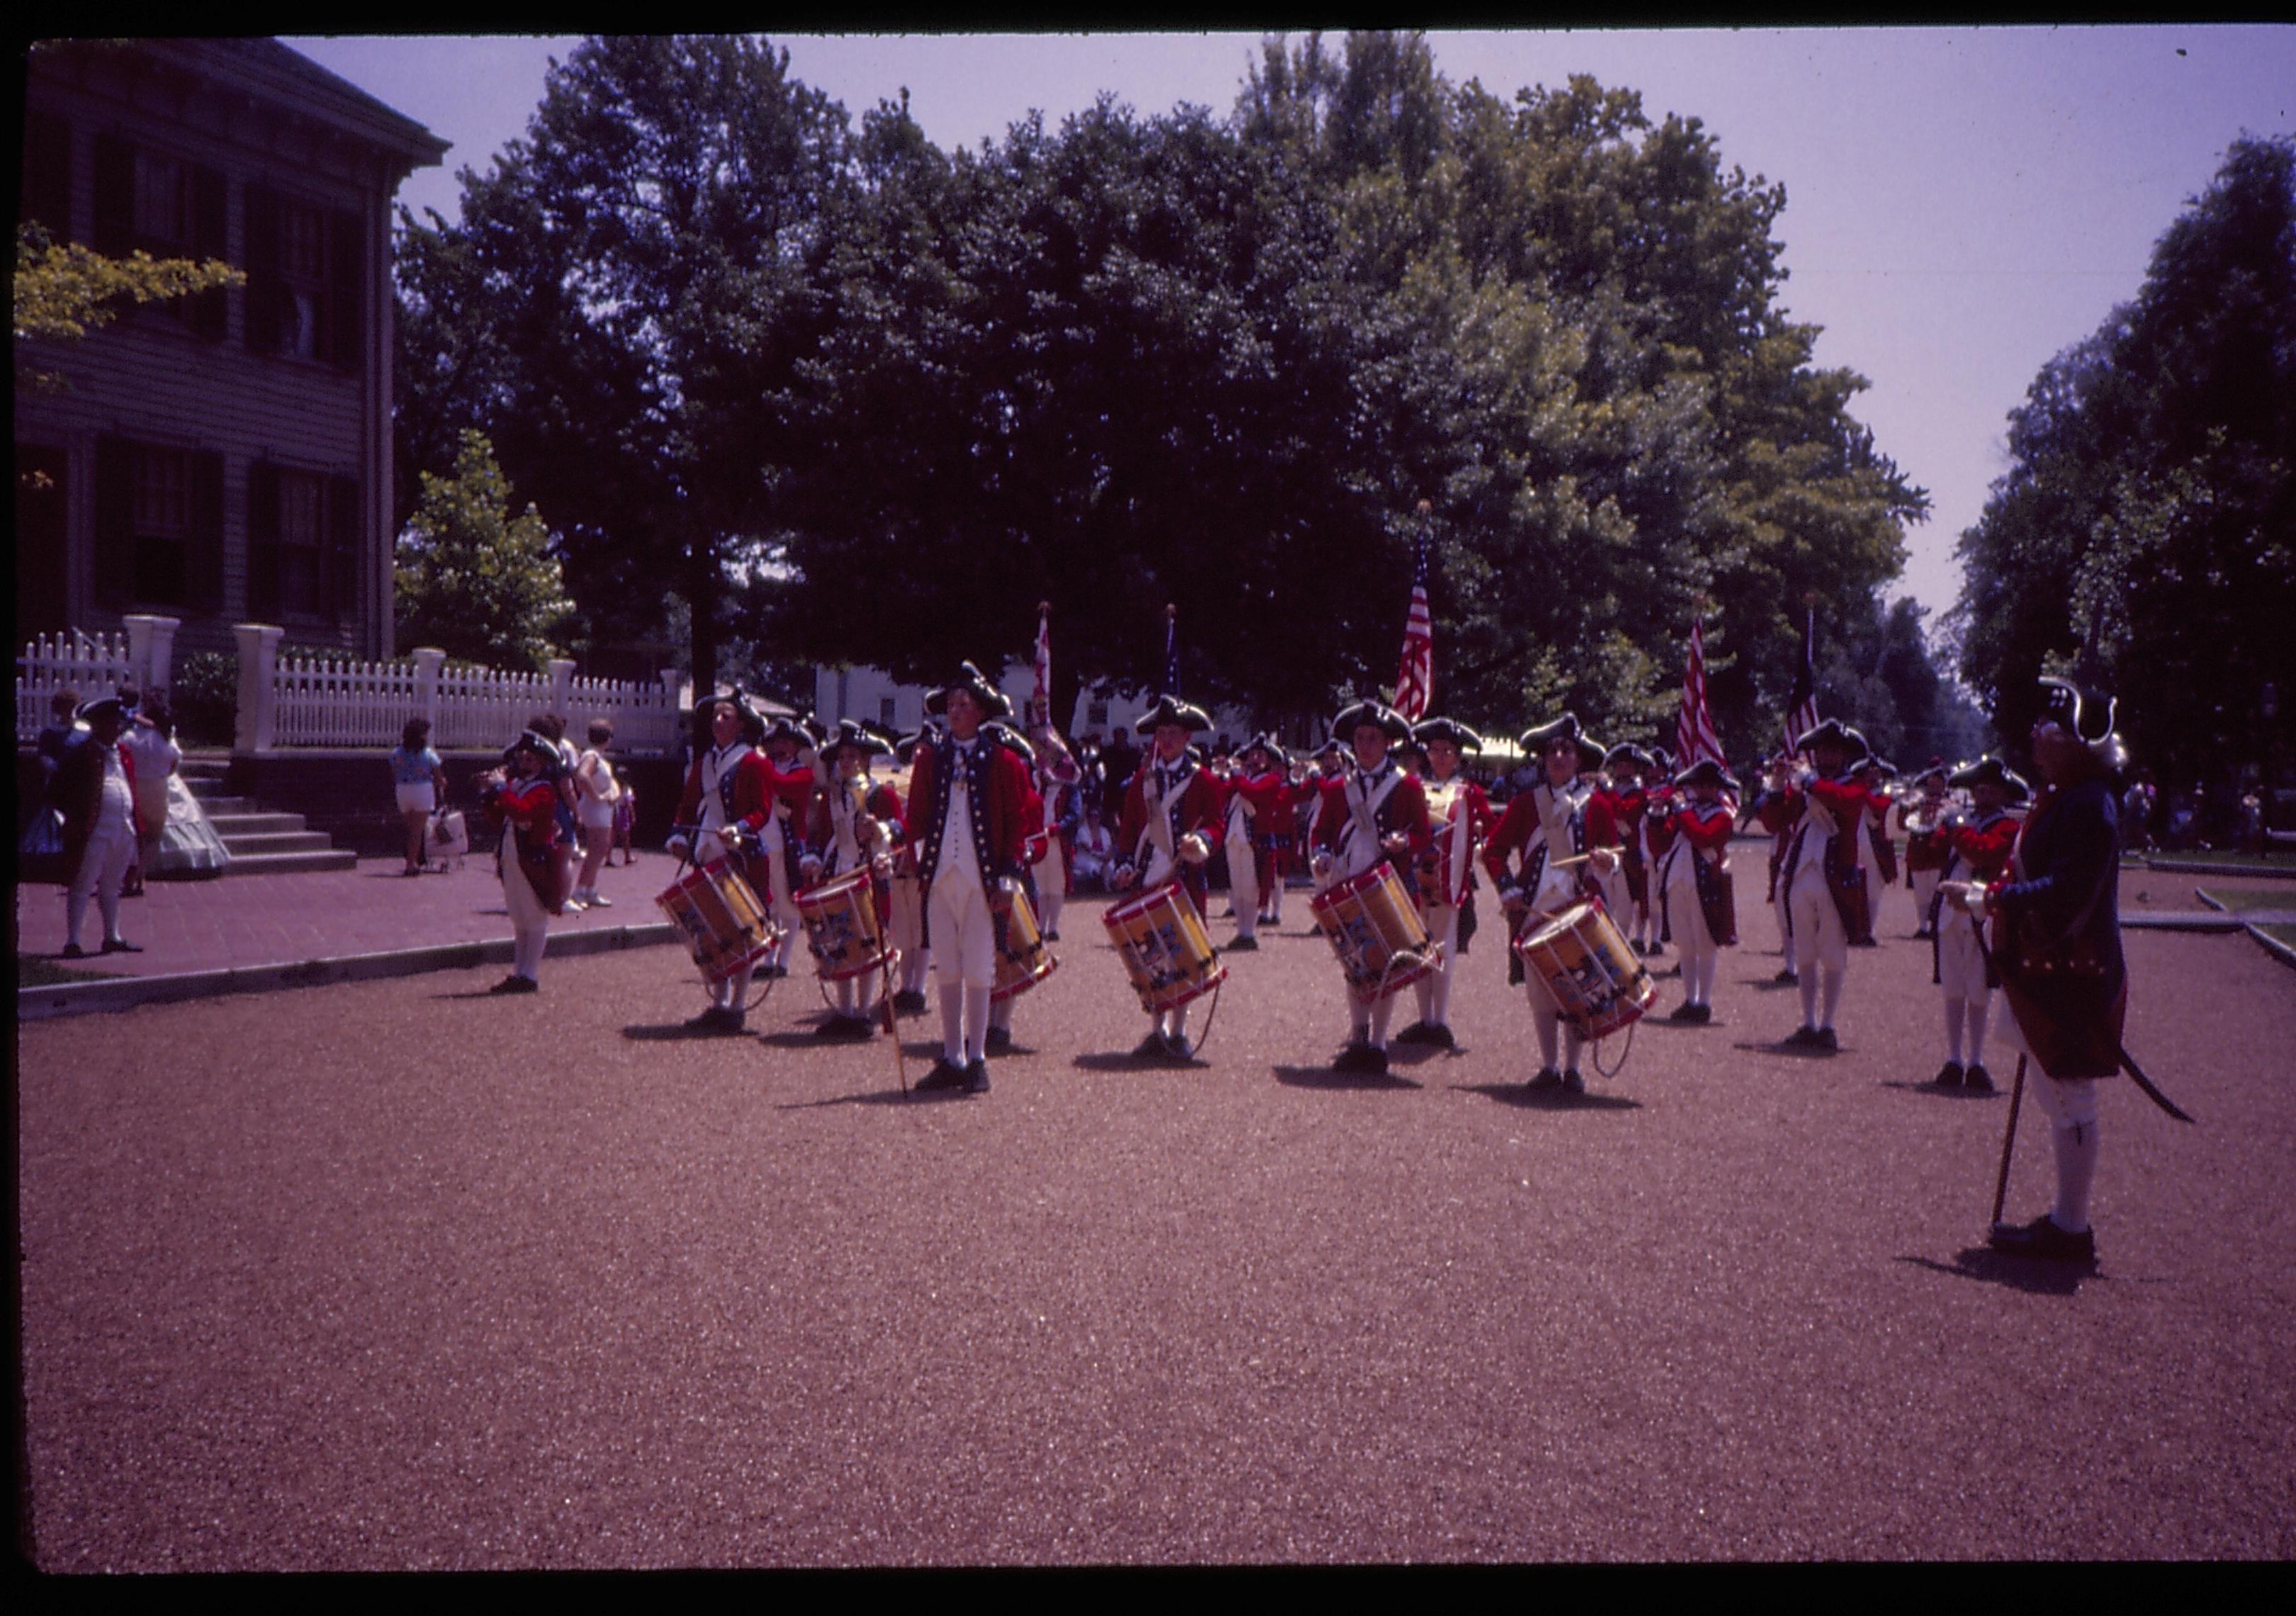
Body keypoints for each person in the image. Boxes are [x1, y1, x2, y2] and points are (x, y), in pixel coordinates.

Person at [1945, 678, 2130, 1264]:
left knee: (2070, 1095)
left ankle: (2071, 1228)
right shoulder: (2069, 796)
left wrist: (1986, 901)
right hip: (2052, 967)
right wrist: (1989, 894)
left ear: (2079, 742)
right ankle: (2065, 1220)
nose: (2036, 734)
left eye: (2050, 727)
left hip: (2072, 970)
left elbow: (2066, 888)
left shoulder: (2089, 803)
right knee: (2061, 1093)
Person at [904, 663, 1032, 1093]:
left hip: (982, 879)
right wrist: (912, 855)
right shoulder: (929, 759)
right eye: (951, 704)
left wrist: (1009, 876)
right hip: (940, 877)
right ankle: (952, 1056)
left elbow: (1018, 822)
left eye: (964, 704)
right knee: (947, 967)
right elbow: (917, 817)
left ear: (980, 712)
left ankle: (976, 1056)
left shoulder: (1004, 761)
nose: (955, 711)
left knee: (978, 966)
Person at [1483, 713, 1620, 1091]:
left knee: (1579, 989)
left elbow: (1613, 855)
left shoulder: (1598, 805)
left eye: (1567, 750)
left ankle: (1573, 1070)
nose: (1559, 756)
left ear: (1579, 759)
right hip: (1534, 909)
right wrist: (1508, 888)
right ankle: (1548, 1066)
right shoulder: (1527, 804)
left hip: (1579, 908)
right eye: (1552, 750)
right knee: (1539, 989)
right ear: (1543, 758)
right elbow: (1493, 850)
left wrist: (1609, 863)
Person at [1308, 700, 1431, 1074]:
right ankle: (1358, 1036)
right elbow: (1322, 833)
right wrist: (1322, 855)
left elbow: (1423, 836)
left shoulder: (1407, 786)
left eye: (1372, 738)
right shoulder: (1335, 788)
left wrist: (1405, 843)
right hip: (1347, 885)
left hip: (1387, 886)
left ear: (1387, 742)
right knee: (1354, 963)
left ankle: (1378, 1044)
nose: (1364, 745)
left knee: (1387, 966)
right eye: (1359, 738)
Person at [1111, 692, 1226, 1060]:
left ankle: (1179, 1031)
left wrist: (1203, 840)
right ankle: (1156, 1030)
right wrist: (1124, 862)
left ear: (1188, 738)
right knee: (1152, 956)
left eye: (1175, 733)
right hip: (1149, 877)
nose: (1168, 740)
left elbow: (1217, 825)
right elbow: (1130, 829)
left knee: (1184, 954)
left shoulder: (1203, 780)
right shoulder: (1142, 781)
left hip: (1185, 878)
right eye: (1163, 733)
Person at [668, 692, 780, 1033]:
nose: (718, 722)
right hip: (706, 849)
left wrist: (739, 829)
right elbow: (689, 804)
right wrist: (678, 835)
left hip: (740, 853)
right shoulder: (704, 762)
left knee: (741, 927)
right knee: (713, 927)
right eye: (715, 716)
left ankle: (738, 1004)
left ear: (741, 724)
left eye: (726, 716)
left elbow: (761, 810)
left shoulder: (755, 762)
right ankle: (719, 1002)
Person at [1927, 756, 2026, 1092]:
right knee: (1953, 987)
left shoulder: (2008, 827)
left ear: (2002, 794)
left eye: (1990, 790)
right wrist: (1929, 824)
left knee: (1978, 988)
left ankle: (1977, 1060)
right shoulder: (1963, 822)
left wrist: (1955, 827)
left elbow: (1982, 853)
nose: (1983, 795)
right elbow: (1929, 852)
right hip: (1948, 914)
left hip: (1980, 913)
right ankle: (1954, 1058)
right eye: (1978, 789)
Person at [803, 718, 901, 1040]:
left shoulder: (880, 794)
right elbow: (821, 834)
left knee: (868, 941)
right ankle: (844, 1011)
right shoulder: (832, 796)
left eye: (853, 758)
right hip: (839, 870)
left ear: (866, 761)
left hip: (869, 871)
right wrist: (815, 858)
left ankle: (862, 1012)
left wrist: (879, 840)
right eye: (842, 758)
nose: (846, 764)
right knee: (841, 940)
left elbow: (898, 830)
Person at [1397, 717, 1492, 1050]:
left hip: (1449, 881)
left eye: (1446, 751)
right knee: (1418, 947)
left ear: (1457, 756)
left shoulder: (1469, 792)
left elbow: (1490, 831)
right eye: (1434, 750)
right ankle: (1425, 1018)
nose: (1439, 756)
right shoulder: (1413, 787)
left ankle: (1440, 1018)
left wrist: (1481, 846)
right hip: (1415, 880)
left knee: (1443, 948)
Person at [1778, 719, 1872, 1053]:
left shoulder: (1853, 785)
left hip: (1836, 877)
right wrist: (1778, 787)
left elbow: (1845, 802)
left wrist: (1810, 781)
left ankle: (1828, 1024)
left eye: (1833, 750)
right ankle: (1808, 1021)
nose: (1826, 756)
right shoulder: (1804, 786)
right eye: (1822, 750)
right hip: (1802, 874)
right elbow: (1777, 819)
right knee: (1804, 951)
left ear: (1844, 755)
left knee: (1833, 952)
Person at [55, 695, 144, 958]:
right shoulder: (82, 754)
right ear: (97, 725)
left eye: (118, 722)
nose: (117, 727)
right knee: (83, 883)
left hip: (123, 828)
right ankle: (73, 941)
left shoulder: (123, 753)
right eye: (111, 722)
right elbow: (58, 791)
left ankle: (112, 936)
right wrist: (76, 818)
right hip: (94, 829)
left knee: (112, 885)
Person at [477, 729, 565, 994]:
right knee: (518, 916)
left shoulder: (544, 790)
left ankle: (530, 974)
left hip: (532, 858)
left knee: (534, 916)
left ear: (541, 763)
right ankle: (519, 971)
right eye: (521, 759)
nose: (523, 763)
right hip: (513, 856)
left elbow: (521, 812)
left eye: (530, 760)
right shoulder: (517, 786)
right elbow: (499, 817)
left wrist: (501, 788)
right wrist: (489, 794)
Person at [1658, 758, 1740, 1022]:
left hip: (1704, 885)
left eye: (1709, 786)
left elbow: (1703, 836)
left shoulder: (1722, 816)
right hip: (1677, 881)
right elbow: (1660, 841)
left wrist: (1681, 811)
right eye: (1699, 786)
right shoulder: (1685, 813)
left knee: (1705, 943)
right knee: (1685, 944)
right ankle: (1689, 999)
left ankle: (1704, 1001)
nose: (1703, 791)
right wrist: (1657, 815)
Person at [1227, 734, 1297, 946]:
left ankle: (1249, 933)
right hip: (1234, 838)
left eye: (1260, 755)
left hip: (1255, 840)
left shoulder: (1272, 779)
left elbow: (1254, 793)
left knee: (1251, 887)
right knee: (1236, 886)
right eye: (1252, 755)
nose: (1255, 758)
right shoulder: (1242, 778)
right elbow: (1223, 793)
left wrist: (1237, 775)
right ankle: (1242, 930)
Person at [116, 688, 180, 895]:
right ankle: (141, 875)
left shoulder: (129, 736)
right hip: (158, 787)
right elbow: (174, 763)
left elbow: (120, 759)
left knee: (135, 834)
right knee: (153, 835)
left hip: (135, 786)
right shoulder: (165, 739)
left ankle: (130, 877)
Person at [1898, 762, 1954, 940]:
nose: (1935, 785)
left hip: (1939, 854)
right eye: (1932, 782)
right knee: (1921, 892)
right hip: (1919, 853)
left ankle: (1935, 925)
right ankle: (1922, 925)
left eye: (1939, 782)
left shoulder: (1950, 804)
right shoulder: (1916, 802)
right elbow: (1902, 824)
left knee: (1936, 890)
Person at [570, 718, 621, 909]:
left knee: (601, 849)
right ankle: (580, 890)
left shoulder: (599, 757)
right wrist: (597, 796)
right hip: (596, 809)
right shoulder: (592, 756)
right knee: (597, 850)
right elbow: (582, 775)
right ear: (607, 738)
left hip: (602, 809)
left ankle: (590, 889)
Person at [390, 718, 449, 877]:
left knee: (411, 829)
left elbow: (395, 771)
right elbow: (438, 776)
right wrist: (443, 783)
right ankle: (411, 863)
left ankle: (413, 858)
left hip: (403, 790)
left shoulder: (397, 753)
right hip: (422, 790)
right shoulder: (428, 753)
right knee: (417, 831)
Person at [1071, 804, 1116, 891]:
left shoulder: (1105, 831)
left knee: (1110, 866)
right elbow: (1087, 848)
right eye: (1092, 816)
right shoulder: (1082, 830)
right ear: (1088, 818)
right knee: (1092, 867)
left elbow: (1110, 848)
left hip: (1103, 859)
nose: (1094, 819)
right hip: (1087, 859)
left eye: (1097, 816)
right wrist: (1101, 857)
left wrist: (1107, 857)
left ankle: (1107, 888)